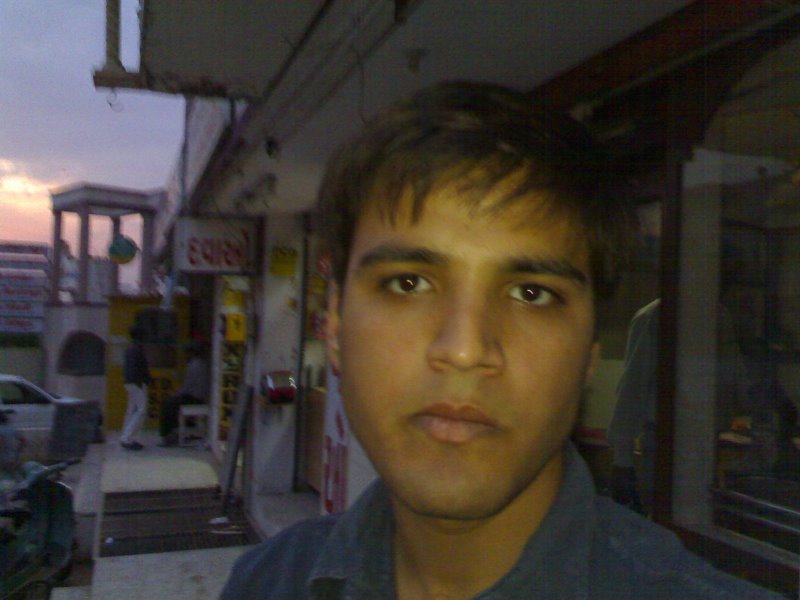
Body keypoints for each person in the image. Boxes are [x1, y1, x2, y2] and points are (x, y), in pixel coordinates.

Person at [222, 82, 781, 598]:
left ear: (589, 355)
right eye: (408, 283)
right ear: (335, 325)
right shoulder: (267, 583)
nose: (465, 349)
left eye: (531, 294)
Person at [158, 342, 209, 446]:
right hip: (198, 396)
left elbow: (187, 387)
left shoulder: (194, 365)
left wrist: (175, 394)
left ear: (191, 353)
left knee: (167, 406)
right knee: (173, 404)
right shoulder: (201, 364)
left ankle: (168, 436)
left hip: (193, 397)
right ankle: (176, 432)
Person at [120, 324, 151, 451]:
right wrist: (145, 380)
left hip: (129, 382)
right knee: (141, 409)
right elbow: (141, 367)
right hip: (136, 382)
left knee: (132, 409)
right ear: (140, 335)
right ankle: (127, 438)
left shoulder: (130, 348)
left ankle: (126, 436)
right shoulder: (138, 349)